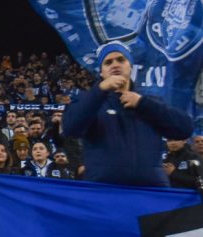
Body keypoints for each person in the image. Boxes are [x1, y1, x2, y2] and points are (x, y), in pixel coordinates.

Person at [63, 41, 194, 187]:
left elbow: (184, 129)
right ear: (101, 71)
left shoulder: (150, 101)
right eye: (108, 62)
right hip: (104, 190)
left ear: (130, 66)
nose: (115, 65)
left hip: (150, 190)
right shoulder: (88, 100)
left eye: (121, 59)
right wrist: (100, 91)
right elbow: (70, 129)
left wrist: (142, 103)